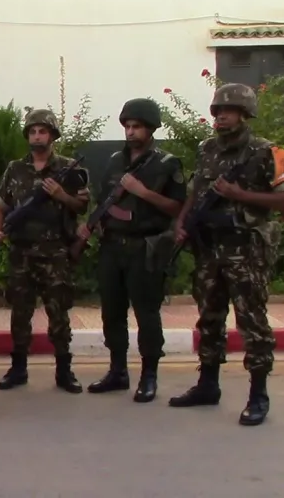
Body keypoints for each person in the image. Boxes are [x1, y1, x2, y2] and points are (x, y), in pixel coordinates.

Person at [169, 83, 284, 426]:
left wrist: (238, 194)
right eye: (218, 110)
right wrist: (182, 222)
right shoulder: (206, 149)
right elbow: (195, 191)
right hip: (209, 248)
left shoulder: (268, 152)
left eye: (229, 110)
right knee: (209, 318)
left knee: (252, 322)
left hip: (246, 250)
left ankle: (258, 395)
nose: (221, 116)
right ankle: (207, 385)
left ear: (245, 114)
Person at [77, 98, 186, 402]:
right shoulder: (115, 160)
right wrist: (93, 224)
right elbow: (103, 199)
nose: (130, 131)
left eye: (137, 126)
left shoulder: (167, 163)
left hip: (145, 249)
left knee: (146, 314)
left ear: (151, 129)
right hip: (112, 247)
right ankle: (118, 371)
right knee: (112, 312)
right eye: (127, 126)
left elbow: (177, 207)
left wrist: (143, 192)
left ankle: (149, 375)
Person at [0, 109, 90, 394]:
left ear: (52, 135)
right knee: (20, 313)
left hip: (55, 252)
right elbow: (1, 206)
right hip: (21, 252)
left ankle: (64, 371)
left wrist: (61, 195)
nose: (37, 136)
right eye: (33, 132)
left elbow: (82, 206)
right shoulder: (15, 169)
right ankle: (18, 369)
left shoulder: (69, 168)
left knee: (58, 314)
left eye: (42, 131)